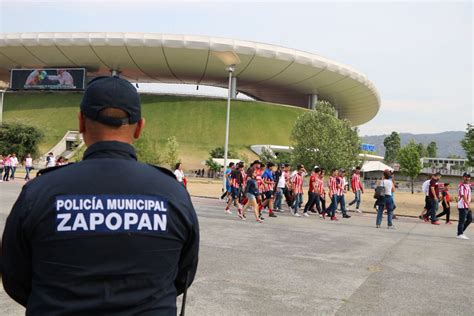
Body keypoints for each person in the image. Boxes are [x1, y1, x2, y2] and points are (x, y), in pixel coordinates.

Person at [1, 76, 199, 315]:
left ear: (81, 122)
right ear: (139, 127)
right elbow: (182, 275)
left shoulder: (40, 192)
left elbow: (15, 278)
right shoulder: (173, 193)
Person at [456, 173, 472, 240]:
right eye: (466, 177)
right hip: (463, 205)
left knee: (470, 219)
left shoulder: (468, 185)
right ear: (463, 177)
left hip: (466, 205)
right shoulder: (462, 185)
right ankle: (460, 234)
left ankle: (461, 232)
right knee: (462, 220)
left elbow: (468, 196)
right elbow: (463, 195)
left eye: (468, 177)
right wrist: (468, 205)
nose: (467, 178)